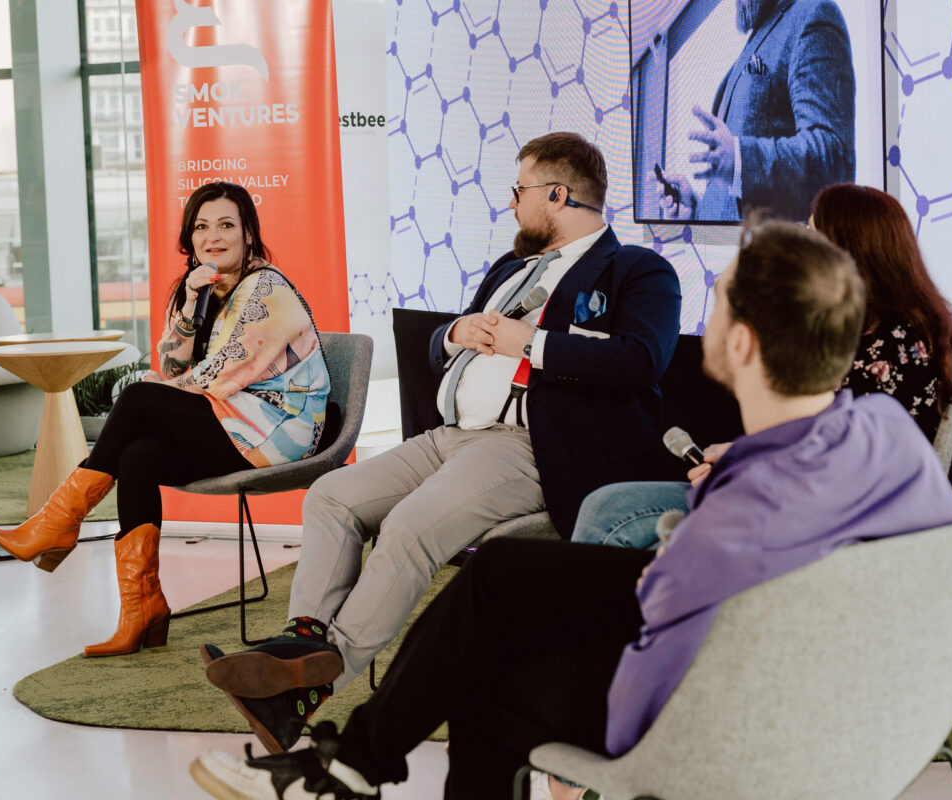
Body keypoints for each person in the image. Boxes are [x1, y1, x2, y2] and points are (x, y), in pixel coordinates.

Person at [186, 219, 952, 800]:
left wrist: (692, 529)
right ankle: (348, 765)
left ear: (740, 345)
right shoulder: (880, 435)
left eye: (723, 298)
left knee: (491, 683)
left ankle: (342, 765)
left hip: (714, 705)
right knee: (502, 570)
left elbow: (643, 680)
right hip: (810, 671)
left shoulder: (737, 517)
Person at [197, 131, 682, 753]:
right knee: (330, 496)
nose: (511, 204)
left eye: (520, 191)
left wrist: (526, 344)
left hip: (527, 447)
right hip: (449, 436)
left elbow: (643, 360)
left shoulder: (638, 270)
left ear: (558, 194)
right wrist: (454, 332)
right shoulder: (510, 269)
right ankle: (302, 643)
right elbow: (440, 351)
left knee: (410, 526)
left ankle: (307, 686)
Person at [0, 181, 330, 657]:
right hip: (233, 420)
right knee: (138, 455)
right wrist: (189, 303)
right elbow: (176, 367)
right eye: (202, 227)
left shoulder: (265, 288)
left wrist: (150, 396)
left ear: (249, 233)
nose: (213, 236)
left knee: (140, 400)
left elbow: (217, 375)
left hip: (276, 430)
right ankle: (141, 610)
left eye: (227, 225)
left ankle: (57, 523)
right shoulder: (212, 288)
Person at [572, 182, 952, 551]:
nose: (802, 242)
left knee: (608, 516)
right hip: (802, 499)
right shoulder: (892, 329)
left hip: (817, 519)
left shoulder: (887, 339)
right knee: (605, 505)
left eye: (811, 232)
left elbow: (841, 464)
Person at [656, 0, 855, 222]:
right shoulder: (759, 38)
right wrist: (699, 210)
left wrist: (741, 160)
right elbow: (737, 196)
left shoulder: (813, 14)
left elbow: (833, 158)